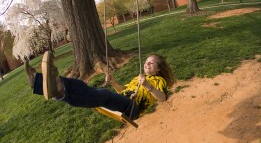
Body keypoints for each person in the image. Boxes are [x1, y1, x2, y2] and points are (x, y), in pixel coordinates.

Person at [25, 51, 175, 120]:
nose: (147, 63)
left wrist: (148, 86)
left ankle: (58, 87)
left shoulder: (158, 81)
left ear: (158, 69)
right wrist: (114, 82)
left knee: (103, 95)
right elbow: (124, 90)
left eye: (152, 63)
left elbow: (162, 98)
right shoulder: (139, 77)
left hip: (132, 108)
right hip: (124, 101)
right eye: (147, 61)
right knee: (89, 89)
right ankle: (40, 83)